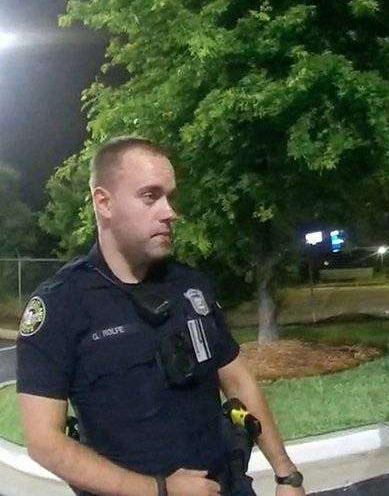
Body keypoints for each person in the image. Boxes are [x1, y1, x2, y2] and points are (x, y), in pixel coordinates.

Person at [16, 137, 307, 496]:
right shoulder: (60, 305)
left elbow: (237, 380)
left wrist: (286, 474)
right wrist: (159, 489)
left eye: (170, 197)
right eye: (150, 196)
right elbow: (44, 442)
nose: (170, 212)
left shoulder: (191, 286)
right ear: (104, 203)